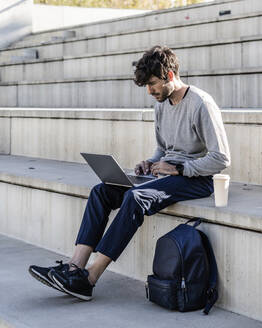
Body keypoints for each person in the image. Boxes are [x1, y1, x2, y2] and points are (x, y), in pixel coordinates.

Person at [28, 46, 231, 301]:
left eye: (153, 84)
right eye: (146, 86)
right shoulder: (161, 104)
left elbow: (221, 158)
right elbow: (163, 149)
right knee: (102, 191)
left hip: (197, 179)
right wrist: (150, 162)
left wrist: (179, 168)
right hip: (166, 175)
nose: (150, 91)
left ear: (169, 75)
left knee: (135, 197)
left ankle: (90, 279)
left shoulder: (201, 103)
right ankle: (74, 268)